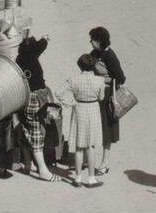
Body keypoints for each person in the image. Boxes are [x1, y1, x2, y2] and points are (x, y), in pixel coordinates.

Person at [55, 54, 106, 188]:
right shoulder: (99, 81)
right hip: (93, 110)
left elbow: (58, 93)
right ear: (93, 65)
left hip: (79, 109)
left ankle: (77, 178)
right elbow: (101, 98)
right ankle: (91, 179)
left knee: (78, 147)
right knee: (91, 147)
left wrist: (69, 103)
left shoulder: (73, 80)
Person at [15, 35, 61, 182]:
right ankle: (43, 170)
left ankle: (28, 165)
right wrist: (46, 37)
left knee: (26, 128)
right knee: (36, 133)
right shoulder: (31, 55)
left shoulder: (19, 59)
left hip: (24, 97)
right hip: (35, 99)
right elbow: (41, 45)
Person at [89, 27, 126, 175]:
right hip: (95, 94)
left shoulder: (110, 56)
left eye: (92, 39)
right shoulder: (94, 53)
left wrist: (103, 79)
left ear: (98, 42)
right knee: (93, 126)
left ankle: (105, 162)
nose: (90, 42)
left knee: (106, 128)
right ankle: (88, 158)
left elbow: (121, 78)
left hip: (107, 96)